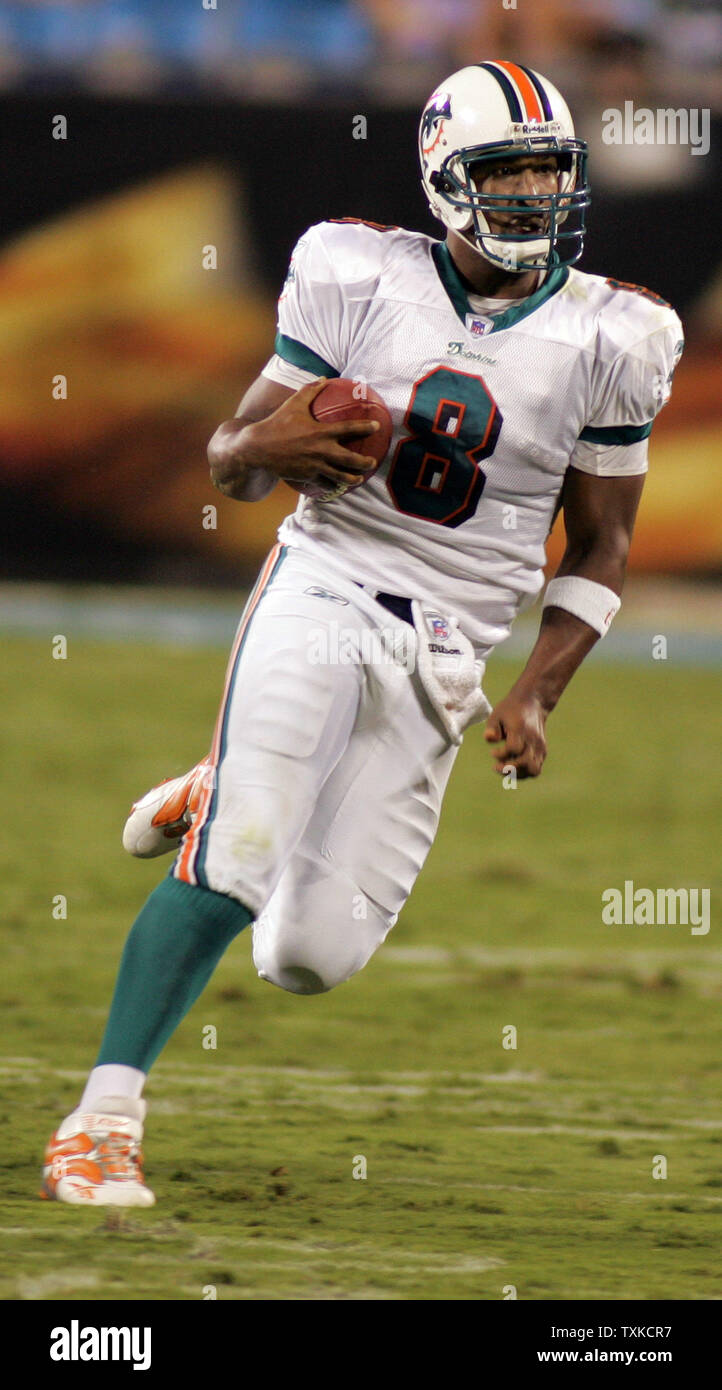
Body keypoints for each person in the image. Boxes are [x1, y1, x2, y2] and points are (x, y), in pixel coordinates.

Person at [42, 61, 683, 1206]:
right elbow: (232, 459)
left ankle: (224, 780)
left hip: (447, 655)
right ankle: (100, 1119)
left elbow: (599, 548)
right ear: (444, 178)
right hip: (327, 581)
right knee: (237, 862)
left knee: (305, 957)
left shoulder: (616, 334)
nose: (537, 194)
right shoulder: (353, 268)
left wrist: (536, 690)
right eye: (509, 171)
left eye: (551, 170)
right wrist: (259, 456)